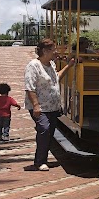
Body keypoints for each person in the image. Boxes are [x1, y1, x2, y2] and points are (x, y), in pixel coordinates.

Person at [24, 38, 75, 171]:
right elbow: (30, 87)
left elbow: (56, 78)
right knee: (44, 129)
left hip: (52, 107)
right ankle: (39, 161)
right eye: (53, 50)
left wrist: (68, 66)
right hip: (41, 107)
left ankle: (43, 158)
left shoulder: (51, 64)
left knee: (49, 132)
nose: (56, 52)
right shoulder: (33, 65)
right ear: (45, 51)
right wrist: (36, 105)